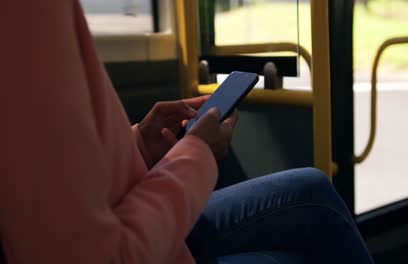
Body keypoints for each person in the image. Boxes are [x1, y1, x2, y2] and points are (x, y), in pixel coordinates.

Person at [0, 0, 374, 263]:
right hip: (128, 239)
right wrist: (196, 153)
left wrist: (137, 144)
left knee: (312, 189)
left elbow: (59, 172)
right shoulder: (25, 15)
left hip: (119, 216)